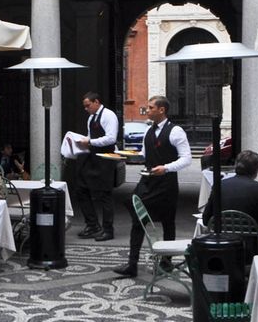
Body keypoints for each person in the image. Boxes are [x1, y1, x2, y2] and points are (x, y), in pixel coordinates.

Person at [114, 95, 192, 278]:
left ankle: (166, 262)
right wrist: (124, 154)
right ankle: (132, 264)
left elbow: (186, 158)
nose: (147, 110)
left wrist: (166, 168)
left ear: (161, 110)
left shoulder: (176, 131)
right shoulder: (149, 131)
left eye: (150, 108)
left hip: (166, 183)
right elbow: (144, 154)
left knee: (168, 222)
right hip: (147, 181)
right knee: (137, 217)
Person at [201, 150, 258, 255]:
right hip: (250, 247)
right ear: (256, 170)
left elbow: (206, 220)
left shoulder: (219, 186)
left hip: (221, 245)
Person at [74, 91, 119, 241]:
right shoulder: (91, 118)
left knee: (105, 194)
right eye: (85, 107)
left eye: (88, 106)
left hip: (106, 158)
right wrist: (80, 142)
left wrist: (90, 142)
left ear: (96, 102)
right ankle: (92, 224)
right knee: (81, 188)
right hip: (92, 156)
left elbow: (111, 138)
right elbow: (90, 136)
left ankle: (108, 230)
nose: (86, 109)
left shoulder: (109, 116)